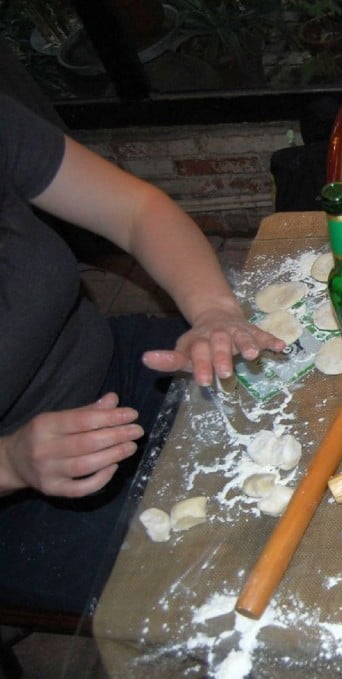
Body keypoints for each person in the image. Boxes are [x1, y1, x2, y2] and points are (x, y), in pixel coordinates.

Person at [0, 93, 284, 615]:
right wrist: (10, 462)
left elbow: (136, 210)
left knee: (302, 409)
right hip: (22, 496)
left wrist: (214, 312)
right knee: (227, 583)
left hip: (114, 363)